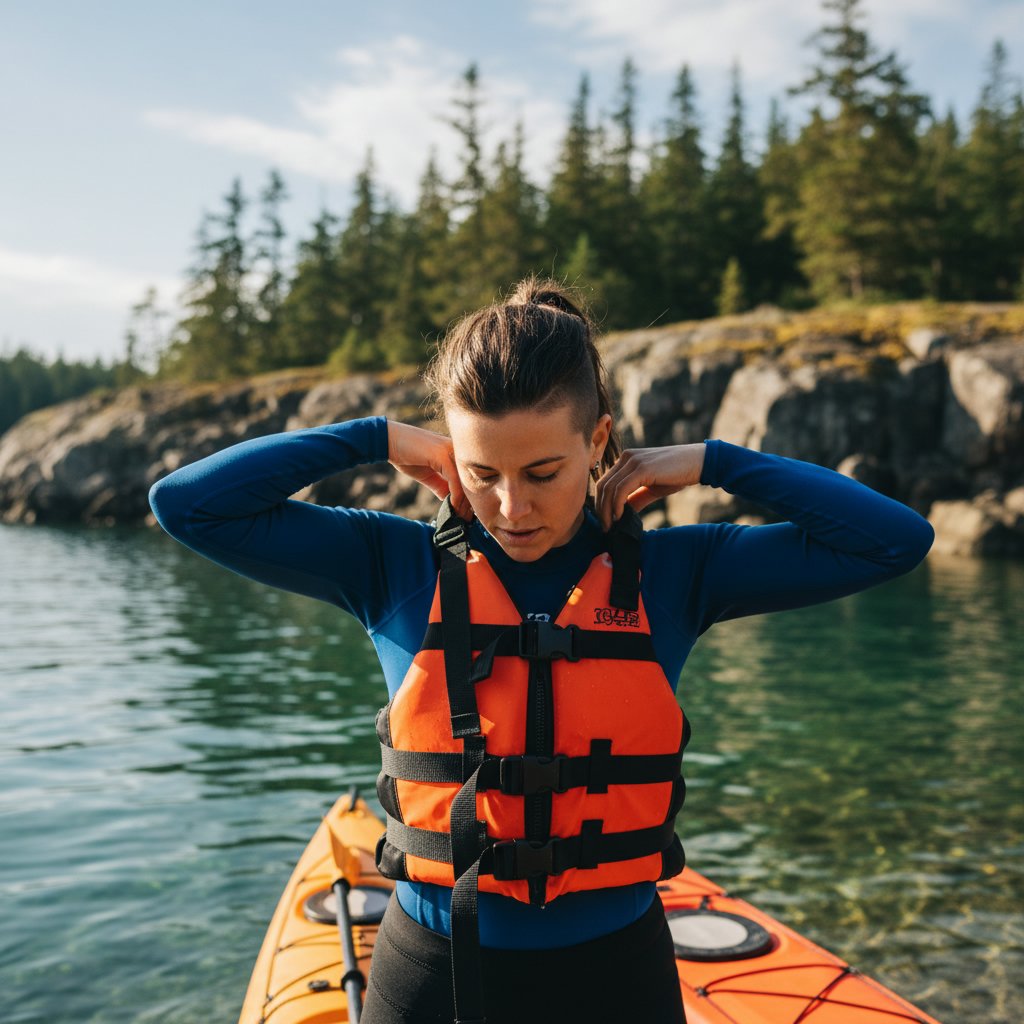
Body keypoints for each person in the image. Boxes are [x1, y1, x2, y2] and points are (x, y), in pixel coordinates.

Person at [148, 275, 935, 1024]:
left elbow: (893, 543)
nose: (511, 507)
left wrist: (713, 463)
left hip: (615, 977)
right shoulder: (390, 564)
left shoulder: (675, 572)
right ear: (448, 455)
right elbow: (188, 507)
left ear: (597, 443)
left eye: (544, 471)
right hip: (431, 972)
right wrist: (373, 436)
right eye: (481, 471)